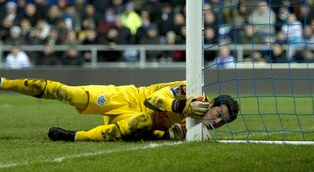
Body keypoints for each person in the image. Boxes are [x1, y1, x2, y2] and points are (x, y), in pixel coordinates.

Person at [0, 77, 239, 142]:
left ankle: (74, 137)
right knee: (67, 93)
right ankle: (5, 83)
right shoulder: (193, 92)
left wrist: (171, 136)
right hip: (127, 97)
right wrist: (181, 105)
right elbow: (153, 100)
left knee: (143, 125)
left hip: (134, 121)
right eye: (219, 115)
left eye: (222, 123)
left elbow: (160, 131)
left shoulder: (198, 133)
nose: (216, 122)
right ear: (212, 104)